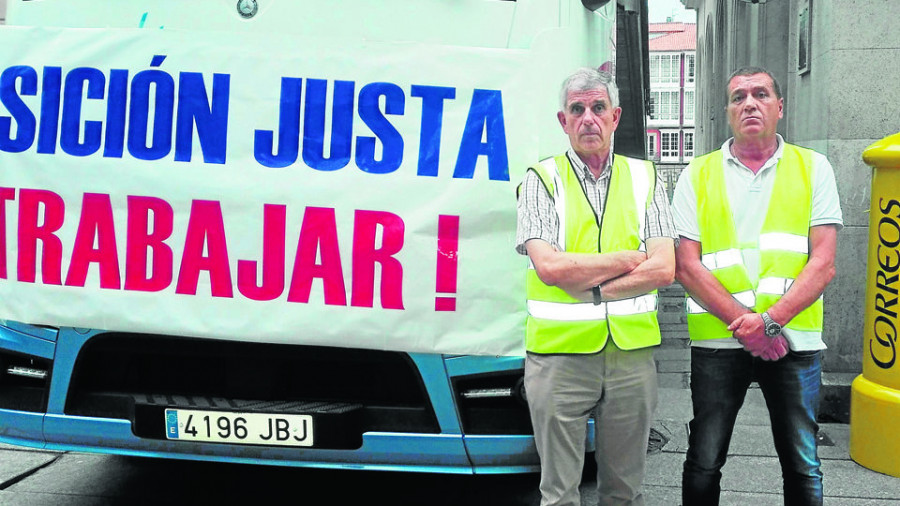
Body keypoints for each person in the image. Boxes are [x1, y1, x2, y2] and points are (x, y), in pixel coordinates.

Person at [672, 66, 843, 505]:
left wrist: (768, 324)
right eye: (739, 97)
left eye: (761, 94)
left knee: (802, 464)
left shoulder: (813, 168)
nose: (750, 103)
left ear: (779, 107)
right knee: (704, 459)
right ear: (727, 111)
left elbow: (822, 263)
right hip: (719, 340)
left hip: (793, 341)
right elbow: (686, 267)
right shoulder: (697, 174)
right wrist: (749, 327)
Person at [516, 67, 676, 506]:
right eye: (577, 109)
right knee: (559, 494)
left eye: (598, 107)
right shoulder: (540, 180)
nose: (589, 118)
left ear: (615, 116)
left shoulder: (646, 178)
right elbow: (548, 266)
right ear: (563, 121)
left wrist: (595, 287)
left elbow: (664, 268)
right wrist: (627, 260)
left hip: (631, 358)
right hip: (559, 360)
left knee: (624, 492)